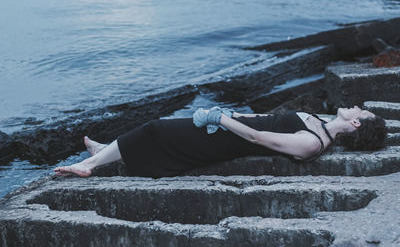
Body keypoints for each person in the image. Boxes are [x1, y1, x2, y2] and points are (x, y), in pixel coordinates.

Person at [54, 105, 387, 178]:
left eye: (362, 110)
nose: (357, 105)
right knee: (155, 131)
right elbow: (265, 119)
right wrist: (233, 112)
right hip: (228, 124)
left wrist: (218, 118)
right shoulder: (320, 121)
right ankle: (103, 152)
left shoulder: (314, 143)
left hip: (223, 139)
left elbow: (260, 137)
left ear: (356, 122)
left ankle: (89, 164)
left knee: (155, 129)